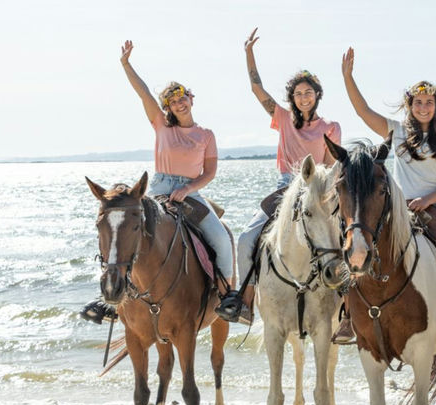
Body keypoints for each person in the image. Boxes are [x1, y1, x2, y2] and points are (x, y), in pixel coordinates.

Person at [80, 40, 234, 324]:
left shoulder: (206, 134)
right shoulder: (161, 125)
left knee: (222, 239)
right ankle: (111, 301)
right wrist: (126, 64)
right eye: (173, 101)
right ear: (169, 108)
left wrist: (188, 189)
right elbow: (143, 93)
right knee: (124, 234)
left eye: (182, 98)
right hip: (160, 189)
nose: (179, 103)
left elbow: (209, 172)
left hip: (190, 192)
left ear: (191, 98)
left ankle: (228, 297)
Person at [338, 46, 436, 349]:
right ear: (410, 105)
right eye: (418, 102)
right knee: (358, 247)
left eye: (429, 102)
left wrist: (428, 200)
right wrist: (348, 77)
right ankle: (348, 318)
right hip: (400, 211)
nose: (424, 107)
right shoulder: (397, 132)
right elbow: (363, 112)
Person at [215, 28, 341, 324]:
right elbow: (257, 90)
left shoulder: (330, 127)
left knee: (346, 236)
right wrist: (249, 54)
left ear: (317, 95)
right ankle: (244, 301)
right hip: (285, 188)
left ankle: (347, 304)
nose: (303, 97)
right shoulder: (283, 118)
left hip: (317, 189)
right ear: (292, 98)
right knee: (247, 238)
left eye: (308, 92)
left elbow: (331, 166)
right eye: (298, 93)